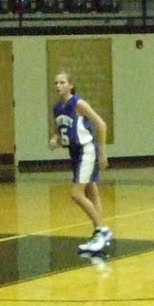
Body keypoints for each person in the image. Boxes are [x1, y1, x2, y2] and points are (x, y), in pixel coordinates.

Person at [49, 70, 111, 254]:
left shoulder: (79, 103)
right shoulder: (57, 108)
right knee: (91, 191)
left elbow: (101, 124)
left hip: (86, 151)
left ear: (70, 85)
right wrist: (55, 139)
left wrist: (103, 153)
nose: (58, 86)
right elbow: (59, 130)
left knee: (76, 194)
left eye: (62, 82)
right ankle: (99, 232)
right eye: (56, 83)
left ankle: (101, 231)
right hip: (75, 153)